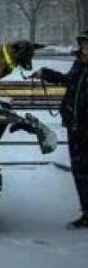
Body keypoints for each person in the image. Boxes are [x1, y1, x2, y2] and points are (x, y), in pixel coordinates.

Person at [34, 30, 88, 228]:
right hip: (76, 125)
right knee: (80, 170)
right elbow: (69, 81)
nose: (84, 48)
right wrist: (46, 73)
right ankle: (86, 213)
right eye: (83, 45)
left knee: (83, 169)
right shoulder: (80, 64)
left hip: (83, 125)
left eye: (86, 45)